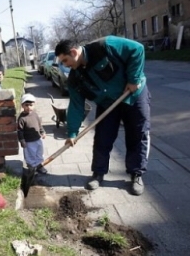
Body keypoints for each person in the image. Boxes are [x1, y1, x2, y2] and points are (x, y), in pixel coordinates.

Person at [54, 36, 151, 196]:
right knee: (102, 138)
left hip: (133, 95)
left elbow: (137, 49)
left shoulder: (104, 46)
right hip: (107, 104)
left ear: (73, 52)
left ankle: (136, 174)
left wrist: (133, 79)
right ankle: (98, 173)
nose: (65, 65)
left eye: (65, 60)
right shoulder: (75, 78)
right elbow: (76, 105)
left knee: (137, 134)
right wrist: (72, 132)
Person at [17, 93, 47, 174]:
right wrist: (22, 140)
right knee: (30, 155)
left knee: (39, 153)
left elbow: (39, 124)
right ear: (22, 105)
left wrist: (42, 132)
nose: (29, 107)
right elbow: (20, 131)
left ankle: (39, 165)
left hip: (37, 138)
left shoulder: (35, 114)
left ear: (34, 105)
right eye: (26, 105)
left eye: (31, 105)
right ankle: (32, 168)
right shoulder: (22, 118)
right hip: (28, 141)